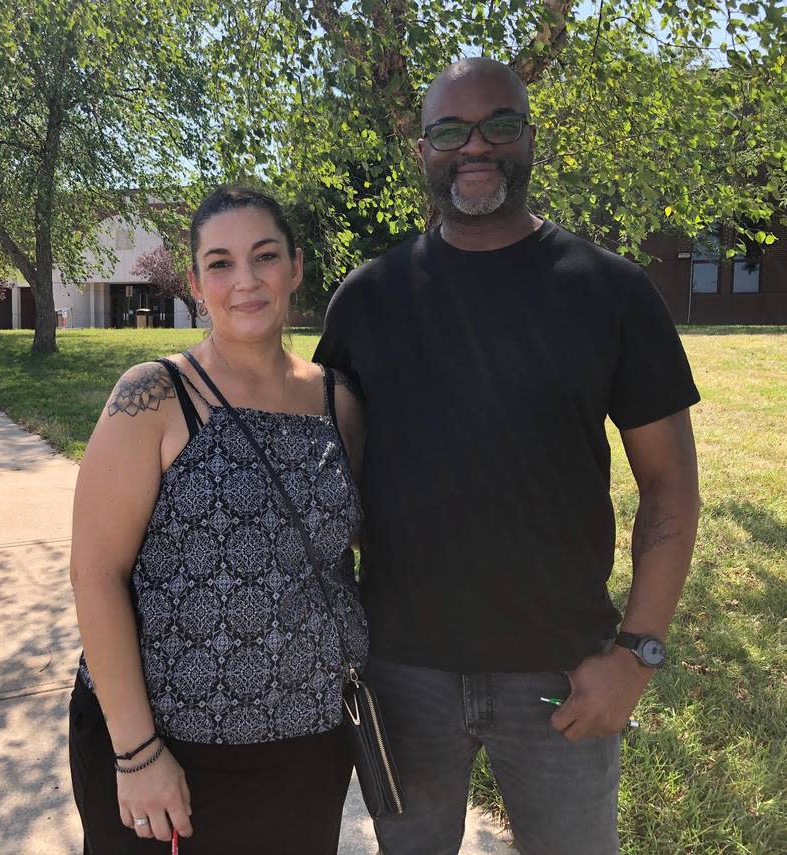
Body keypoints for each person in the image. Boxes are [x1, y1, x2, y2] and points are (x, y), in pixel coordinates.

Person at [314, 58, 701, 855]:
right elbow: (330, 479)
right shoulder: (367, 300)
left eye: (497, 123)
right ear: (420, 148)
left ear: (529, 136)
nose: (474, 146)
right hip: (402, 676)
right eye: (449, 130)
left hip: (563, 676)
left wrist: (637, 653)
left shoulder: (612, 291)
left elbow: (670, 488)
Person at [68, 186, 368, 854]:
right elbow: (95, 573)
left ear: (294, 266)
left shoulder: (337, 401)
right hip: (170, 753)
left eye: (264, 257)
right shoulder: (152, 396)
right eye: (221, 263)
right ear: (198, 283)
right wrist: (139, 752)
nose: (246, 280)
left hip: (307, 749)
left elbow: (349, 547)